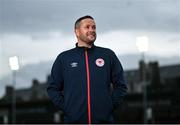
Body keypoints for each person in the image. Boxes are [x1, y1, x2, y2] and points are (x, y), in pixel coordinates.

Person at [47, 15, 127, 124]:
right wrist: (67, 108)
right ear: (77, 32)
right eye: (87, 27)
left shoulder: (107, 55)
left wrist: (109, 106)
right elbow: (53, 88)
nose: (91, 30)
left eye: (94, 27)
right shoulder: (64, 58)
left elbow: (121, 86)